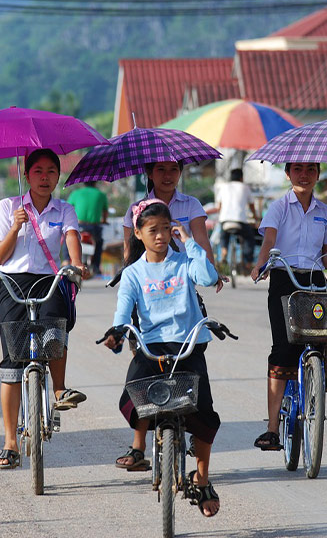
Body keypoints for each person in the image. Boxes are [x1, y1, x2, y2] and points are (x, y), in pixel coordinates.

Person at [103, 200, 222, 517]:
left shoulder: (184, 262)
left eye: (165, 230)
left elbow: (208, 278)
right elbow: (123, 310)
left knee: (204, 412)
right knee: (133, 392)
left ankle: (203, 478)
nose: (160, 236)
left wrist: (191, 243)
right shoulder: (133, 273)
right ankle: (142, 444)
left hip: (187, 344)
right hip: (151, 347)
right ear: (138, 234)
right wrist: (116, 331)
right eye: (152, 230)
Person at [0, 149, 91, 470]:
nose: (44, 178)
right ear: (27, 175)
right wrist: (14, 228)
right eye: (38, 172)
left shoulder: (65, 209)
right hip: (13, 282)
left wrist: (76, 265)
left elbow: (72, 239)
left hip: (49, 278)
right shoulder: (8, 207)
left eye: (50, 172)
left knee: (54, 331)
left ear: (57, 176)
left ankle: (59, 389)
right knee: (12, 363)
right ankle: (9, 442)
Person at [250, 162, 327, 451]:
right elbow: (269, 239)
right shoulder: (278, 207)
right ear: (288, 174)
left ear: (318, 174)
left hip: (315, 279)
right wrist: (262, 264)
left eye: (310, 170)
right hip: (284, 277)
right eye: (297, 170)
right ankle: (271, 430)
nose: (303, 175)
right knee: (283, 350)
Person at [122, 160, 223, 291]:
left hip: (182, 278)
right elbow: (128, 250)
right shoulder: (136, 210)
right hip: (148, 283)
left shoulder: (191, 204)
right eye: (161, 169)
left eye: (174, 169)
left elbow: (202, 241)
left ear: (180, 173)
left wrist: (210, 270)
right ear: (150, 173)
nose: (168, 176)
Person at [214, 168, 257, 274]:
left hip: (225, 220)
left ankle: (224, 253)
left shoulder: (223, 187)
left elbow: (219, 207)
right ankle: (248, 262)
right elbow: (252, 205)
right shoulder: (245, 187)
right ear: (241, 177)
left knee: (224, 236)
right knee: (249, 238)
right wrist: (255, 217)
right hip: (240, 221)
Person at [67, 181, 108, 276]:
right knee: (99, 242)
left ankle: (65, 260)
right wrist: (104, 220)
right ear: (95, 183)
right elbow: (105, 211)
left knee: (68, 238)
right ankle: (96, 266)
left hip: (78, 225)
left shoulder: (75, 193)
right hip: (94, 226)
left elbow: (69, 208)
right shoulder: (101, 194)